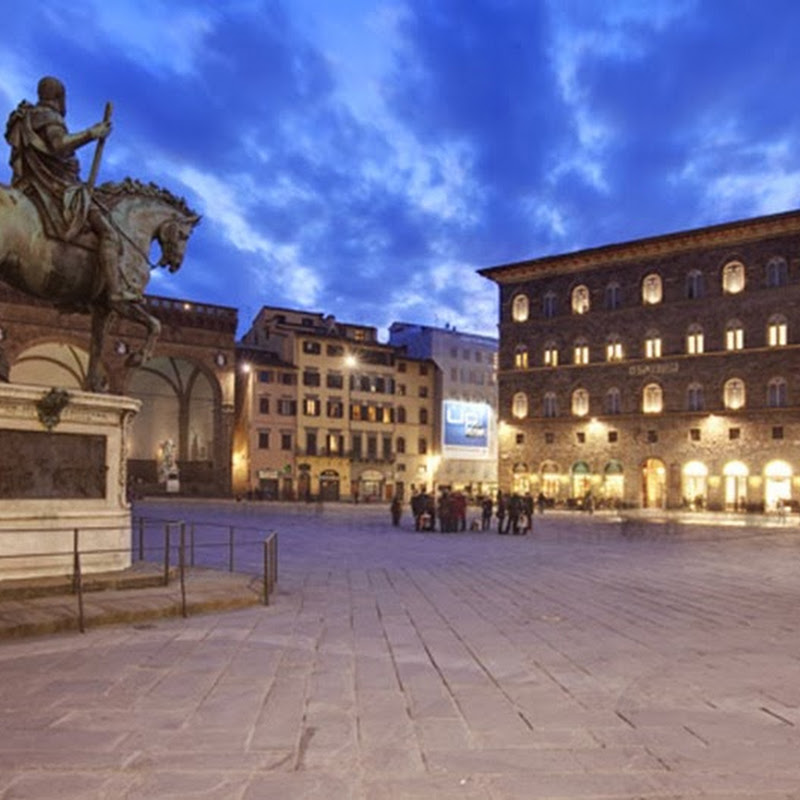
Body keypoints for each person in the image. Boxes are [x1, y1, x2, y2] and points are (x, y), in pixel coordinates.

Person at [5, 76, 126, 301]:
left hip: (30, 184)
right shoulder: (50, 117)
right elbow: (59, 145)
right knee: (109, 232)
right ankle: (115, 292)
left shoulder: (27, 116)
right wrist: (92, 133)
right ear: (60, 97)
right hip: (57, 186)